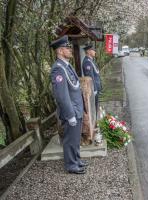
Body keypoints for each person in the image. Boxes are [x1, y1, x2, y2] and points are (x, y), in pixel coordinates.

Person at [50, 35, 88, 174]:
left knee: (75, 138)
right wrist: (70, 115)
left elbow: (74, 87)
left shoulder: (67, 65)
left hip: (76, 109)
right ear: (60, 51)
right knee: (70, 140)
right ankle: (71, 165)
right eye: (67, 48)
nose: (70, 50)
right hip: (70, 111)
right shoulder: (58, 69)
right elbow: (61, 95)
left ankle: (76, 160)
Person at [82, 44, 102, 120]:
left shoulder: (91, 60)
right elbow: (90, 77)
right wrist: (94, 89)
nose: (95, 52)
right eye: (93, 50)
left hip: (96, 87)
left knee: (96, 106)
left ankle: (96, 122)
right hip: (94, 89)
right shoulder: (87, 62)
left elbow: (96, 74)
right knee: (94, 107)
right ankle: (95, 123)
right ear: (88, 51)